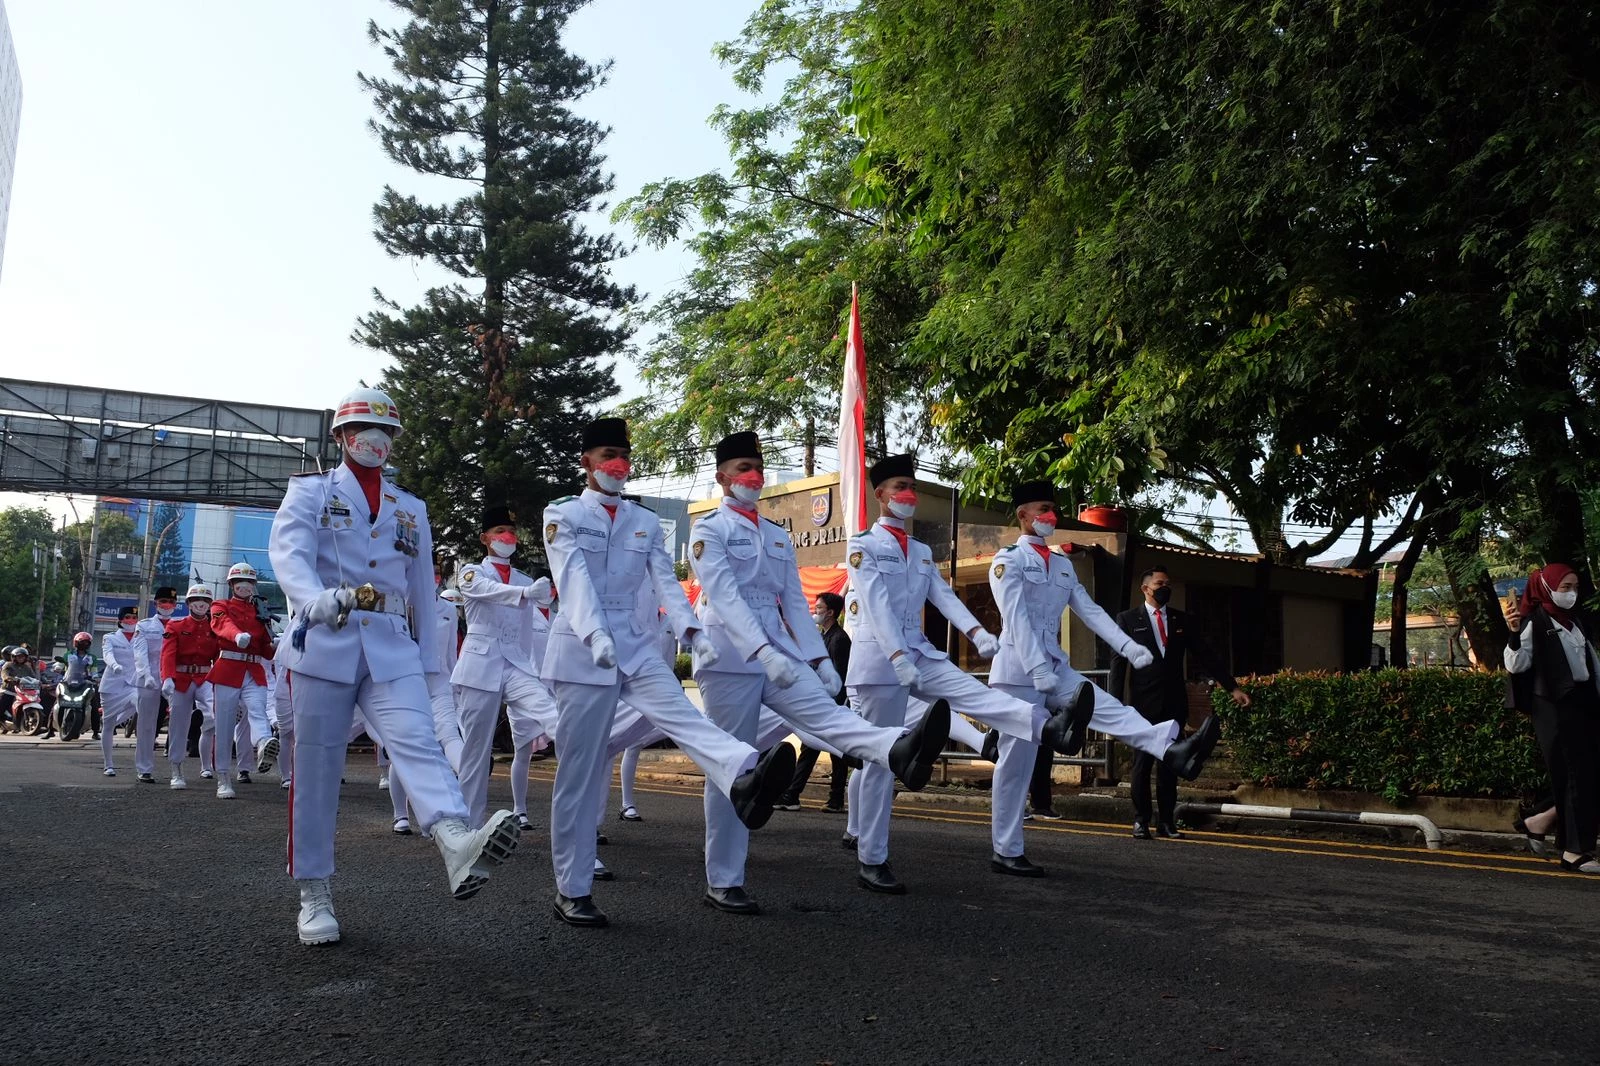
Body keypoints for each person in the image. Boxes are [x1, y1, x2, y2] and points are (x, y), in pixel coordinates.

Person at [269, 386, 520, 946]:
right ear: (340, 437)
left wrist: (433, 667)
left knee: (418, 742)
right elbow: (288, 555)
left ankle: (455, 838)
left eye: (386, 432)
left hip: (390, 641)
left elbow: (423, 594)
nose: (376, 440)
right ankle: (314, 892)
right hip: (325, 641)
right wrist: (313, 600)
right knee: (314, 773)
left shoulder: (411, 508)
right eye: (363, 429)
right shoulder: (311, 493)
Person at [540, 416, 797, 928]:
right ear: (587, 462)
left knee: (685, 716)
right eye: (606, 454)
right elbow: (571, 583)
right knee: (581, 770)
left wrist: (691, 632)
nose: (617, 464)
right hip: (581, 648)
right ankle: (572, 889)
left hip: (635, 645)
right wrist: (595, 635)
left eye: (623, 455)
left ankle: (744, 773)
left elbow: (666, 582)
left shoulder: (641, 520)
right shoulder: (563, 514)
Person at [688, 432, 950, 914]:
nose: (752, 476)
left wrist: (821, 660)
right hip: (729, 657)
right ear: (722, 476)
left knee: (829, 718)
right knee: (737, 764)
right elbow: (723, 596)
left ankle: (897, 748)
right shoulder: (709, 531)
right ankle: (723, 880)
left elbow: (792, 600)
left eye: (757, 466)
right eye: (742, 467)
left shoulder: (774, 534)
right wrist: (763, 651)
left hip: (781, 652)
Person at [843, 455, 1093, 894]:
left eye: (912, 487)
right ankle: (872, 859)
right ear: (879, 494)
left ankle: (1050, 728)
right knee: (882, 762)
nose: (908, 494)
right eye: (899, 486)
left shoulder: (920, 551)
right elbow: (877, 605)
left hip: (919, 652)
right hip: (878, 662)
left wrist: (977, 632)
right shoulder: (862, 545)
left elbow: (942, 595)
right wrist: (897, 656)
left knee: (978, 697)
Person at [988, 483, 1222, 874]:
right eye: (1043, 509)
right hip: (1017, 671)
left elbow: (1092, 612)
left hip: (1055, 666)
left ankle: (1169, 748)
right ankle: (1006, 850)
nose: (1051, 515)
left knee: (1105, 705)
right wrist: (1038, 669)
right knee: (1016, 764)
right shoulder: (1007, 560)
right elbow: (1015, 619)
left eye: (1054, 509)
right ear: (1023, 515)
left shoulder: (1062, 563)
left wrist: (1128, 647)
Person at [1109, 564, 1246, 840]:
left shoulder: (1181, 620)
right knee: (1142, 764)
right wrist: (1114, 708)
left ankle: (1167, 822)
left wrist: (1232, 687)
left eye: (1167, 583)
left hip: (1173, 704)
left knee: (1170, 765)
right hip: (1142, 706)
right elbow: (1118, 665)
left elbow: (1206, 655)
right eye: (1160, 584)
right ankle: (1141, 820)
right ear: (1145, 589)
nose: (1165, 589)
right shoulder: (1127, 620)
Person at [453, 505, 559, 830]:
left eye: (511, 532)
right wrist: (525, 593)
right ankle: (467, 828)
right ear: (485, 538)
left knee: (554, 715)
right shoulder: (472, 572)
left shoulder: (526, 578)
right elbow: (486, 591)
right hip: (480, 664)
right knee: (475, 751)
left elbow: (537, 624)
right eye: (499, 531)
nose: (507, 536)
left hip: (516, 664)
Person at [1504, 564, 1600, 874]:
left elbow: (1590, 666)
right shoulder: (1534, 622)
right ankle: (1574, 852)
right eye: (1565, 587)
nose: (1571, 593)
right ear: (1546, 588)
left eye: (1574, 587)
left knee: (1589, 776)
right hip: (1554, 707)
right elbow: (1517, 666)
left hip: (1582, 703)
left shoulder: (1574, 622)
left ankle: (1540, 819)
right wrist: (1514, 634)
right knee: (1574, 776)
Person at [776, 591, 854, 813]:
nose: (815, 611)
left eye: (819, 608)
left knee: (825, 752)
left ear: (830, 612)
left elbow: (839, 677)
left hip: (833, 706)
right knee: (817, 750)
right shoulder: (824, 636)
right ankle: (813, 797)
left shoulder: (839, 639)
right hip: (824, 704)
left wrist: (834, 706)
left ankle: (803, 796)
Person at [207, 563, 279, 798]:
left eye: (249, 583)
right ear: (231, 585)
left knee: (258, 709)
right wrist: (236, 635)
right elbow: (221, 624)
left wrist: (275, 643)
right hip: (228, 667)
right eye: (240, 583)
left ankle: (264, 743)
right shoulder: (221, 605)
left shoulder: (260, 611)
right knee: (225, 725)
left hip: (253, 668)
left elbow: (266, 651)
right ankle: (223, 777)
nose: (245, 586)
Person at [162, 584, 219, 789]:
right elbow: (168, 653)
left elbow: (218, 656)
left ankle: (208, 762)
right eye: (196, 601)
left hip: (205, 677)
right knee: (178, 724)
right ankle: (176, 769)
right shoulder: (176, 626)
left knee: (215, 713)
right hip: (181, 679)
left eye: (205, 601)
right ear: (188, 604)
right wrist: (167, 677)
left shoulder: (214, 627)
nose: (201, 604)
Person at [130, 587, 179, 783]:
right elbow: (139, 653)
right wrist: (146, 675)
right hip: (148, 679)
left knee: (178, 723)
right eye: (163, 601)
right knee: (147, 725)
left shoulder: (179, 624)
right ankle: (144, 768)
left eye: (170, 602)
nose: (166, 605)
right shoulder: (144, 626)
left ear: (175, 606)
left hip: (174, 678)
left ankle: (177, 768)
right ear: (155, 604)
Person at [100, 607, 143, 777]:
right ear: (120, 620)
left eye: (134, 617)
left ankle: (143, 762)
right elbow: (107, 655)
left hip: (133, 684)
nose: (131, 620)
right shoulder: (110, 638)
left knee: (141, 705)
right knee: (109, 724)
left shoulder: (141, 638)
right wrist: (114, 665)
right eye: (127, 617)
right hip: (112, 685)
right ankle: (108, 764)